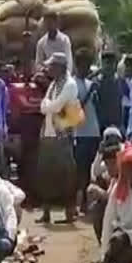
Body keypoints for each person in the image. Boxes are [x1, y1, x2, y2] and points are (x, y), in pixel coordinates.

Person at [37, 52, 78, 224]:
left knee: (66, 175)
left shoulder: (70, 84)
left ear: (60, 67)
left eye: (52, 66)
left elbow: (55, 106)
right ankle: (46, 212)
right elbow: (43, 106)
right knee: (46, 174)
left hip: (62, 136)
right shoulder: (53, 84)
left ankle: (69, 213)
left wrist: (49, 106)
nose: (49, 69)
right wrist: (49, 106)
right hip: (48, 134)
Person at [74, 48, 102, 212]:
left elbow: (95, 108)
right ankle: (82, 203)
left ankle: (92, 202)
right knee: (82, 170)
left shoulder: (91, 83)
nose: (86, 69)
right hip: (81, 133)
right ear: (78, 66)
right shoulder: (72, 85)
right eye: (84, 65)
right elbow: (74, 112)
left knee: (95, 170)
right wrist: (89, 93)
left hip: (94, 131)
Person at [88, 143, 122, 243]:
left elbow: (119, 201)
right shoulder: (112, 177)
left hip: (126, 224)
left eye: (112, 163)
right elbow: (95, 171)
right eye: (107, 164)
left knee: (100, 207)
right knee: (97, 206)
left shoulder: (125, 176)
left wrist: (101, 193)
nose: (109, 167)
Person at [94, 51, 123, 133]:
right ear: (102, 64)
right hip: (100, 125)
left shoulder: (120, 81)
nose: (108, 66)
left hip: (117, 124)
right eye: (106, 63)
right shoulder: (96, 82)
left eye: (111, 63)